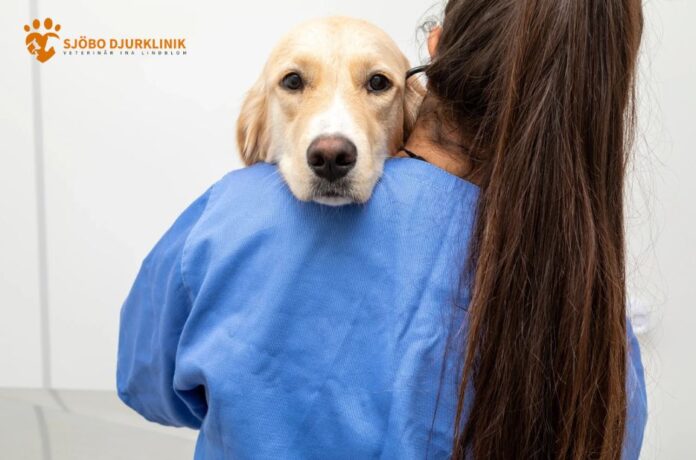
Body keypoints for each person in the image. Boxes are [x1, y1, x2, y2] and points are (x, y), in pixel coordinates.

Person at [117, 0, 647, 458]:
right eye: (296, 83)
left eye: (376, 84)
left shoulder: (226, 218)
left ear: (436, 53)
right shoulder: (593, 318)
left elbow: (147, 386)